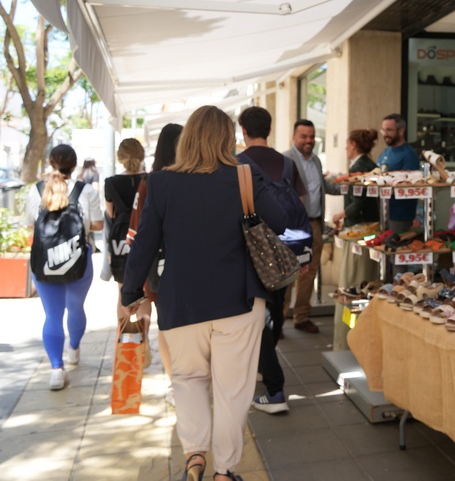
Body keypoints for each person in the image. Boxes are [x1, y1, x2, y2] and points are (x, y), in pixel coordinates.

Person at [120, 105, 287, 481]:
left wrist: (130, 292)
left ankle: (194, 458)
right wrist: (248, 172)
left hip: (181, 301)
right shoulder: (242, 175)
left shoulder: (161, 182)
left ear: (188, 138)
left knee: (188, 380)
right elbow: (280, 219)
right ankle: (224, 471)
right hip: (239, 301)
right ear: (228, 139)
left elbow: (144, 244)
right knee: (233, 391)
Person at [237, 106, 306, 414]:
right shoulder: (288, 163)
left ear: (243, 131)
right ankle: (266, 364)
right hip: (288, 247)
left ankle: (273, 384)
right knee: (276, 308)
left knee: (259, 312)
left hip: (255, 249)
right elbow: (300, 204)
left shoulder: (238, 164)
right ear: (269, 128)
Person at [25, 145, 104, 390]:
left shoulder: (36, 190)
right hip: (78, 261)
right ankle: (74, 349)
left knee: (52, 315)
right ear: (74, 164)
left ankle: (56, 370)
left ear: (51, 162)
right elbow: (99, 225)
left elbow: (31, 225)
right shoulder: (85, 191)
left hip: (45, 263)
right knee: (76, 307)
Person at [126, 123, 183, 407]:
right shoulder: (192, 180)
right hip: (184, 265)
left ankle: (176, 384)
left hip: (158, 267)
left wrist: (132, 285)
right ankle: (182, 381)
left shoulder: (150, 182)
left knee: (166, 325)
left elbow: (136, 235)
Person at [283, 119, 324, 334]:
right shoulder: (285, 160)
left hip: (314, 224)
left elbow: (320, 188)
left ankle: (301, 317)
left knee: (309, 273)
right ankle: (279, 321)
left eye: (312, 136)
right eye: (304, 136)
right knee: (288, 272)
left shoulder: (316, 161)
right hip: (292, 227)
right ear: (294, 137)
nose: (309, 140)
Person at [326, 128, 380, 287]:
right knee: (367, 272)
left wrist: (340, 215)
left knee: (354, 276)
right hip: (372, 225)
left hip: (360, 227)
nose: (345, 148)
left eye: (347, 144)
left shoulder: (358, 168)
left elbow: (358, 202)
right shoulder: (370, 164)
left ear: (353, 144)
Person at [105, 139, 146, 326]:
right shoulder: (150, 180)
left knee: (122, 291)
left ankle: (123, 337)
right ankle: (143, 338)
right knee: (143, 291)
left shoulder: (111, 183)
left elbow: (110, 214)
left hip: (120, 241)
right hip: (144, 236)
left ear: (120, 157)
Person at [376, 113, 420, 235]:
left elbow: (407, 185)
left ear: (401, 131)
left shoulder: (409, 155)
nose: (385, 134)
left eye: (389, 130)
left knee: (394, 245)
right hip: (383, 212)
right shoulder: (385, 152)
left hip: (400, 215)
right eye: (383, 130)